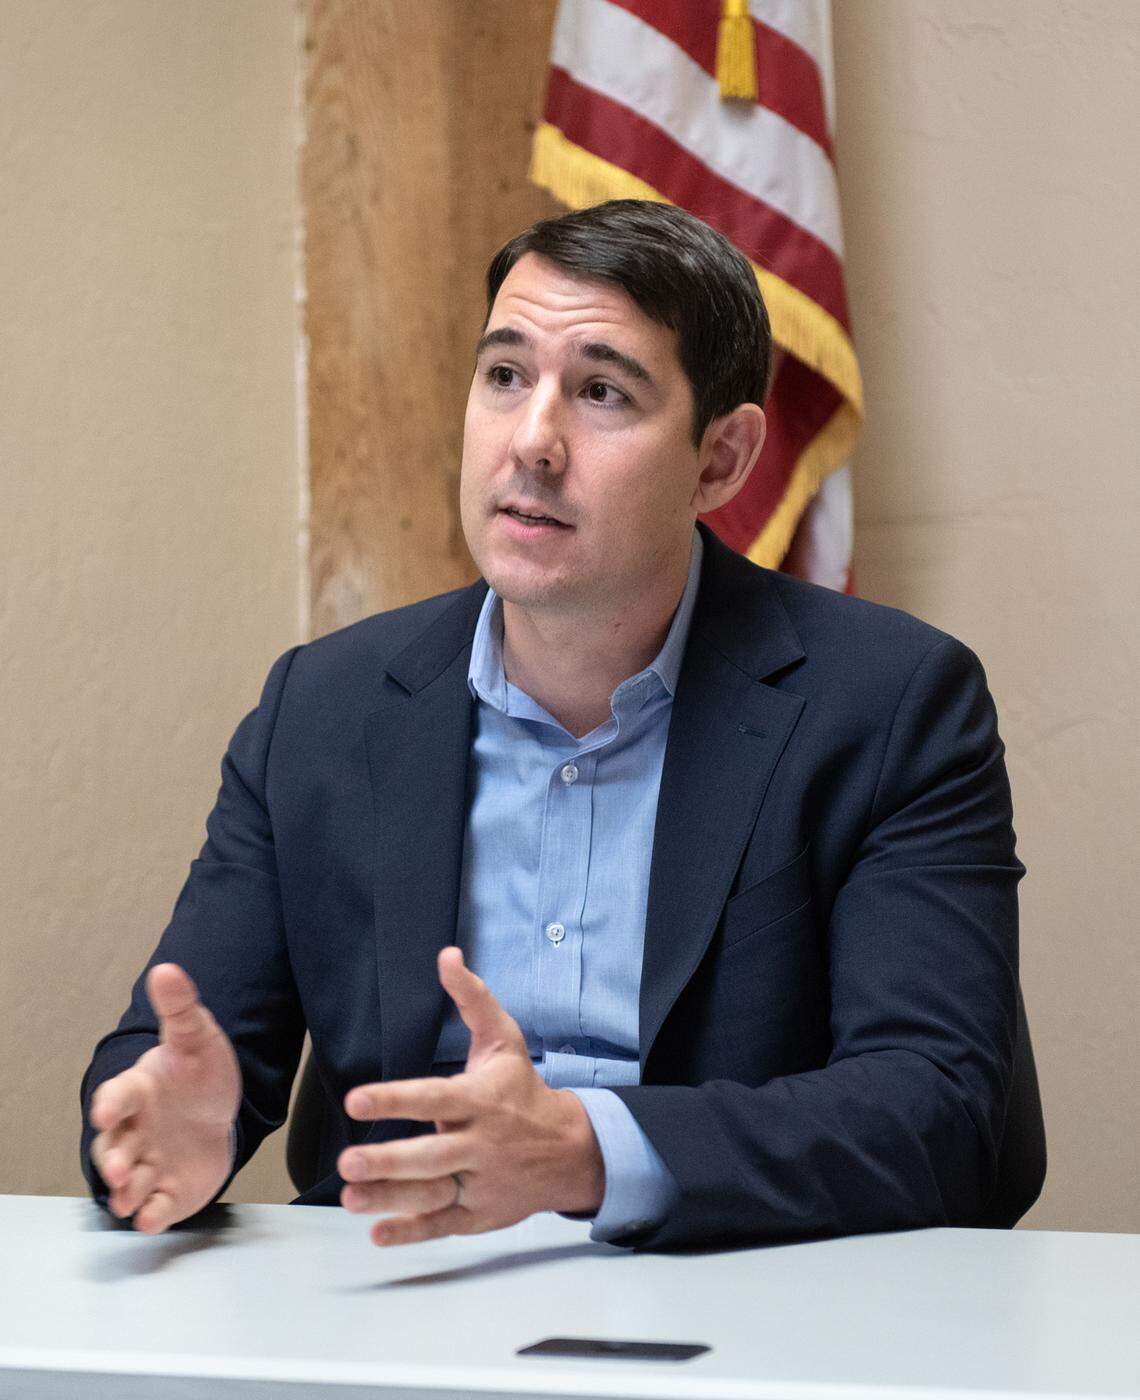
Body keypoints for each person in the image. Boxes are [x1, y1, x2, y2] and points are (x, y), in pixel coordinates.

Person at [82, 200, 1023, 1252]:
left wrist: (586, 1150)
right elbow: (175, 1056)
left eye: (603, 391)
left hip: (740, 1289)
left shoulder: (890, 704)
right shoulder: (324, 706)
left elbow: (944, 1111)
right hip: (395, 1288)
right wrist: (173, 1121)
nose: (532, 441)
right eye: (505, 376)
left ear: (720, 459)